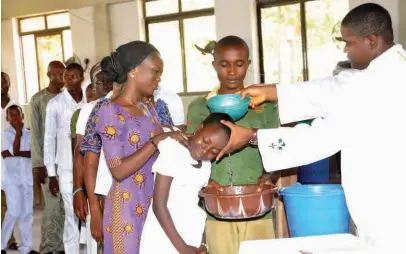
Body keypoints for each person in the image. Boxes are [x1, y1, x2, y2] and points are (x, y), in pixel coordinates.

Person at [216, 3, 406, 252]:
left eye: (348, 43)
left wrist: (252, 136)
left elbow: (321, 137)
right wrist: (274, 91)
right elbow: (334, 87)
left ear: (371, 41)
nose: (346, 50)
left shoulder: (375, 84)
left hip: (388, 202)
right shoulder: (391, 67)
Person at [80, 41, 189, 254]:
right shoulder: (110, 111)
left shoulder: (148, 108)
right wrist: (156, 141)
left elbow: (165, 142)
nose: (159, 79)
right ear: (134, 71)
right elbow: (118, 170)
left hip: (154, 204)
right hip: (127, 207)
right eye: (155, 72)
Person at [186, 35, 279, 254]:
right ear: (214, 65)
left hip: (258, 207)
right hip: (216, 210)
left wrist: (270, 178)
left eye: (239, 64)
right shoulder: (199, 107)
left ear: (248, 64)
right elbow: (190, 156)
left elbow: (277, 148)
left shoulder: (264, 106)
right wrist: (207, 183)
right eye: (224, 64)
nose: (231, 72)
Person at [140, 113, 235, 254]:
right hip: (163, 238)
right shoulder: (173, 150)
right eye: (205, 140)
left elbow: (195, 205)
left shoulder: (206, 164)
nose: (205, 150)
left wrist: (202, 243)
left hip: (190, 236)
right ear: (199, 127)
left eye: (214, 151)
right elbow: (159, 206)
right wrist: (182, 248)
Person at [44, 63, 87, 254]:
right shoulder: (55, 104)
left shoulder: (89, 101)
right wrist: (51, 174)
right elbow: (49, 139)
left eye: (73, 77)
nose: (68, 81)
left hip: (89, 168)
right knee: (72, 217)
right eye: (66, 77)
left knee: (90, 216)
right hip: (66, 170)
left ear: (82, 78)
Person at [71, 62, 114, 254]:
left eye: (108, 80)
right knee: (101, 239)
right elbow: (80, 153)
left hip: (125, 186)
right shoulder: (88, 110)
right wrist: (78, 189)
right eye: (99, 81)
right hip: (97, 187)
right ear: (93, 86)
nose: (104, 85)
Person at [30, 61, 66, 254]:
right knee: (51, 207)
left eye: (64, 74)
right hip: (47, 162)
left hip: (66, 160)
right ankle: (47, 248)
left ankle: (60, 247)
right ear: (49, 74)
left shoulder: (67, 99)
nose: (62, 78)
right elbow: (35, 135)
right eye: (58, 74)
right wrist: (38, 166)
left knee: (64, 207)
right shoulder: (38, 99)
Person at [1, 105, 38, 254]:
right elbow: (6, 153)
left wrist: (16, 152)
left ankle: (26, 248)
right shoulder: (4, 134)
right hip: (12, 181)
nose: (15, 118)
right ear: (7, 118)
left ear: (23, 117)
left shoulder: (29, 134)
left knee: (27, 214)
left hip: (26, 179)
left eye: (18, 115)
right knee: (14, 212)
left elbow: (33, 154)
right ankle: (1, 245)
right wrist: (17, 134)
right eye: (12, 115)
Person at [0, 72, 18, 251]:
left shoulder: (15, 106)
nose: (1, 86)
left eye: (4, 83)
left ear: (9, 84)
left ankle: (9, 240)